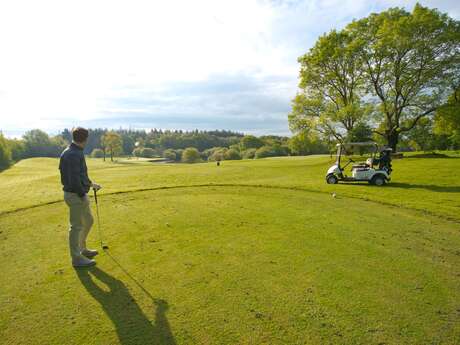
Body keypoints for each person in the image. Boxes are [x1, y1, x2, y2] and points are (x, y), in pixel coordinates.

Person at [59, 127, 102, 267]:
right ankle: (76, 258)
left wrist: (91, 184)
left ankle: (82, 249)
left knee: (88, 220)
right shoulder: (72, 154)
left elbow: (81, 175)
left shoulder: (75, 151)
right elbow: (73, 180)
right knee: (76, 226)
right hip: (75, 195)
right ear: (85, 139)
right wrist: (82, 194)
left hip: (77, 193)